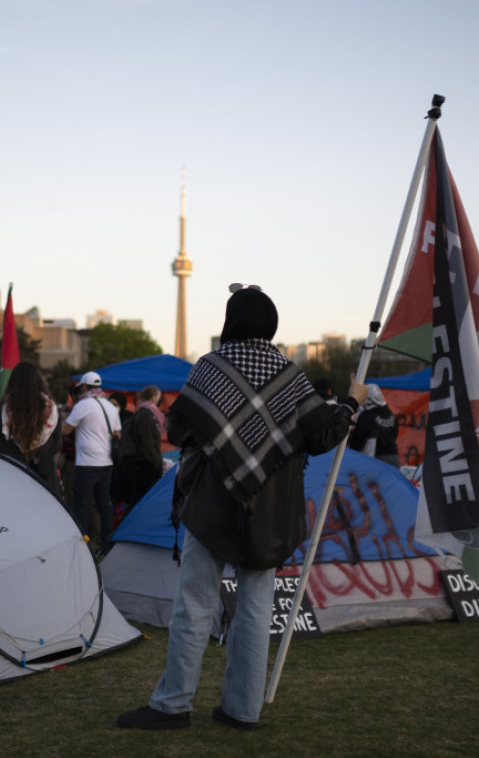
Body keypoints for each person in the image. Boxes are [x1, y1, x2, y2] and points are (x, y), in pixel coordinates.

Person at [117, 283, 367, 731]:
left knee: (193, 604)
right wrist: (352, 403)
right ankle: (242, 710)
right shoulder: (291, 376)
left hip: (211, 506)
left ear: (229, 322)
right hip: (270, 514)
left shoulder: (210, 369)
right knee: (254, 609)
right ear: (271, 325)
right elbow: (324, 435)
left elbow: (177, 430)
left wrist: (222, 437)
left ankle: (172, 705)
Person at [0, 361, 64, 501]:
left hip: (8, 482)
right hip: (43, 485)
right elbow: (56, 446)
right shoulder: (52, 412)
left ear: (12, 382)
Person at [63, 371, 121, 555]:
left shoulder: (83, 405)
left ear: (85, 387)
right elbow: (118, 434)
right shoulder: (111, 406)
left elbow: (65, 430)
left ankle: (83, 544)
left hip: (87, 463)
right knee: (104, 503)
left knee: (81, 503)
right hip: (107, 463)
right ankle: (106, 544)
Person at [119, 385, 165, 507]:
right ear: (154, 397)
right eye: (159, 396)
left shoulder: (146, 413)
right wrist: (156, 462)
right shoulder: (146, 415)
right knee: (142, 500)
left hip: (144, 463)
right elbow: (147, 442)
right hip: (145, 465)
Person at [348, 384, 401, 467]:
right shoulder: (390, 414)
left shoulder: (367, 416)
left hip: (376, 459)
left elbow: (358, 439)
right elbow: (395, 433)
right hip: (394, 457)